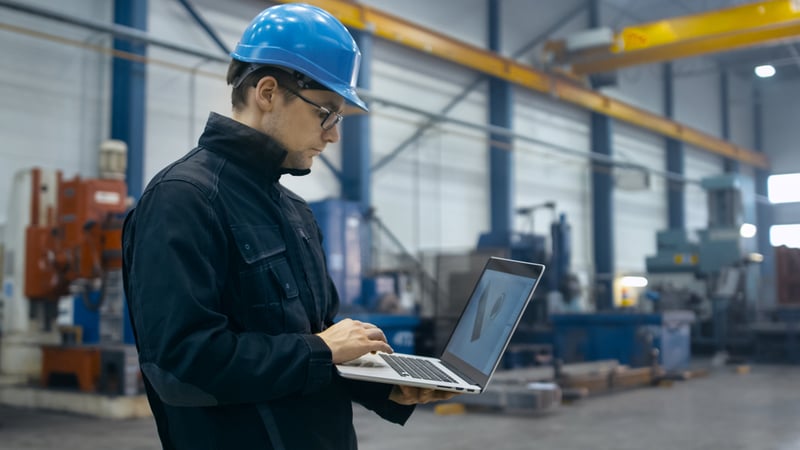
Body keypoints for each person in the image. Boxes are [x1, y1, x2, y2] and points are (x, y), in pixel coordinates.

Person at [121, 4, 455, 449]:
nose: (334, 134)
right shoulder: (182, 199)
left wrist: (385, 387)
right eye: (327, 113)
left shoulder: (295, 210)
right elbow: (181, 366)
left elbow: (316, 345)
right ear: (267, 92)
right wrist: (322, 349)